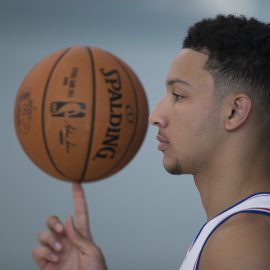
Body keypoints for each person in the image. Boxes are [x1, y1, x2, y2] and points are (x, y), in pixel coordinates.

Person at [32, 14, 270, 270]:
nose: (155, 116)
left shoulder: (240, 241)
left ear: (234, 112)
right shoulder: (241, 231)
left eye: (178, 95)